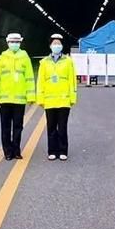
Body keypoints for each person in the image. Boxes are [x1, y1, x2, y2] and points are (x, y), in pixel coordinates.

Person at [0, 33, 36, 160]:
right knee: (5, 127)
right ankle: (7, 152)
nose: (14, 44)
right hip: (4, 99)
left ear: (20, 43)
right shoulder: (2, 58)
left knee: (18, 126)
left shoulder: (25, 57)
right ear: (8, 42)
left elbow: (29, 78)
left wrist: (31, 96)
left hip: (19, 99)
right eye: (12, 41)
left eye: (17, 42)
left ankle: (16, 150)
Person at [37, 33, 77, 161]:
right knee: (51, 127)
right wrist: (40, 99)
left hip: (64, 99)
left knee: (62, 127)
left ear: (62, 46)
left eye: (58, 44)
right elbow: (40, 82)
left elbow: (72, 81)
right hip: (49, 100)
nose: (56, 46)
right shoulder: (44, 63)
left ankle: (63, 150)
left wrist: (72, 97)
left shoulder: (68, 62)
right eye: (54, 43)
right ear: (50, 45)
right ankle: (52, 151)